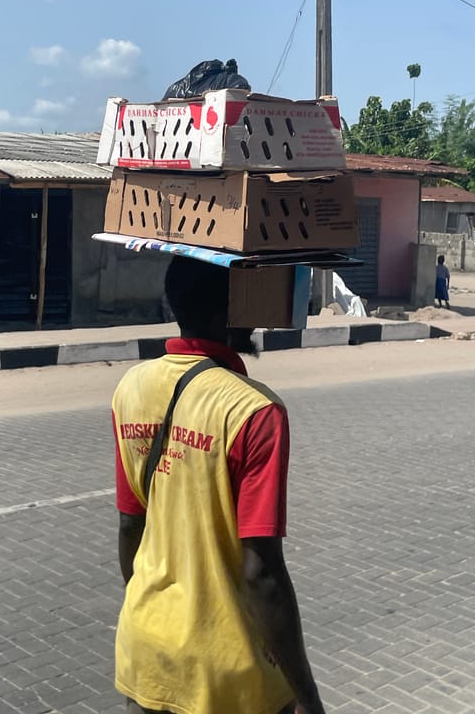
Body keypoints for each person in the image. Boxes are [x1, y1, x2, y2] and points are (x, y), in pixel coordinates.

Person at [111, 256, 327, 714]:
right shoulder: (254, 411)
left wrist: (152, 610)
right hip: (225, 671)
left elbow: (131, 525)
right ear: (230, 310)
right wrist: (308, 697)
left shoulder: (131, 387)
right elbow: (260, 572)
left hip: (145, 647)